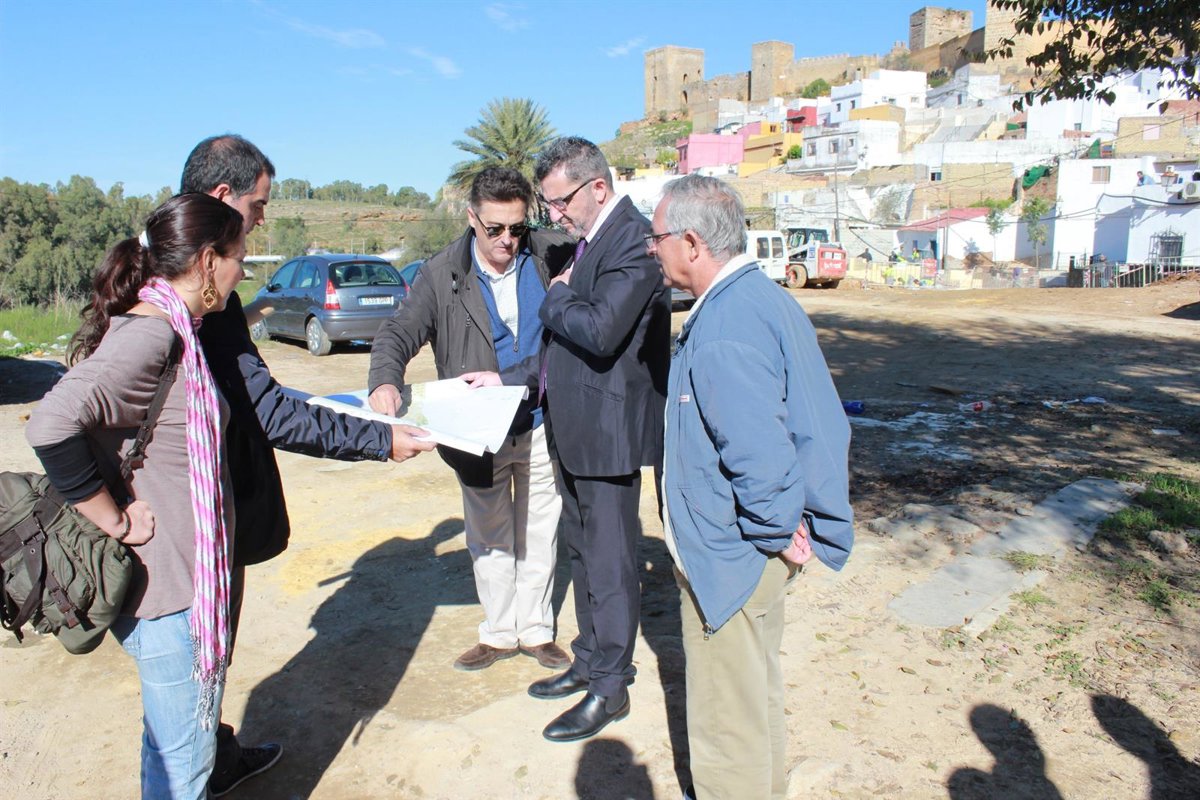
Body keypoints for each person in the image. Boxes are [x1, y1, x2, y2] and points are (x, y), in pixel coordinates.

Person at [180, 134, 435, 796]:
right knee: (191, 676)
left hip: (193, 517)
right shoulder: (190, 296)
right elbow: (270, 412)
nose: (262, 221)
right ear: (223, 197)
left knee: (194, 676)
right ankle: (200, 767)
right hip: (194, 527)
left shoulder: (165, 273)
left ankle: (214, 754)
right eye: (259, 206)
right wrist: (379, 440)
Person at [26, 194, 247, 799]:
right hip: (168, 596)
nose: (242, 271)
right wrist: (115, 519)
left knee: (172, 748)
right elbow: (50, 424)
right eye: (238, 257)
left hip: (182, 586)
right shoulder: (151, 334)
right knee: (184, 768)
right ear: (208, 261)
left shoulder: (175, 329)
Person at [648, 174, 854, 799]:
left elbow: (757, 450)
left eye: (657, 238)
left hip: (734, 554)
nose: (652, 250)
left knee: (726, 719)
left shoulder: (724, 327)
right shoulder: (760, 298)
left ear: (691, 242)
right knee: (752, 695)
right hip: (754, 549)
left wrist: (774, 527)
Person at [465, 136, 670, 742]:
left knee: (610, 563)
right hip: (574, 430)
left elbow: (600, 331)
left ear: (597, 188)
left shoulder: (632, 242)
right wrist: (506, 379)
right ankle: (589, 660)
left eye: (559, 202)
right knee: (582, 554)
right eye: (549, 204)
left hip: (607, 435)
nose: (553, 215)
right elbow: (562, 354)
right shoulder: (591, 243)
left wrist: (554, 295)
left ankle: (610, 686)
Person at [367, 166, 574, 672]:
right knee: (489, 535)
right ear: (470, 218)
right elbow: (398, 332)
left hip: (542, 422)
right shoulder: (441, 273)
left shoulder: (550, 254)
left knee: (540, 531)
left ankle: (536, 630)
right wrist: (385, 380)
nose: (507, 240)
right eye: (495, 228)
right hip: (477, 435)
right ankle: (500, 632)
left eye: (517, 227)